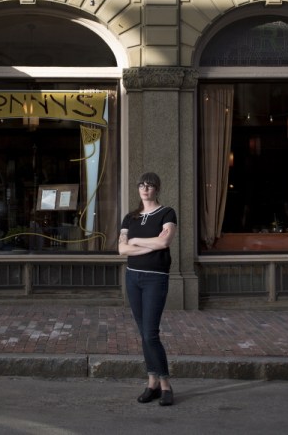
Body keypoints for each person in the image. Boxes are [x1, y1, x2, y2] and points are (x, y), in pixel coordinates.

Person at [118, 172, 177, 406]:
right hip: (133, 278)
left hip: (155, 279)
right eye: (141, 185)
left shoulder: (167, 213)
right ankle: (151, 382)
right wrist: (146, 244)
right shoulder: (129, 218)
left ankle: (165, 384)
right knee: (144, 333)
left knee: (151, 333)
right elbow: (121, 250)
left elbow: (164, 243)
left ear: (157, 189)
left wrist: (135, 242)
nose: (145, 189)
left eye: (150, 185)